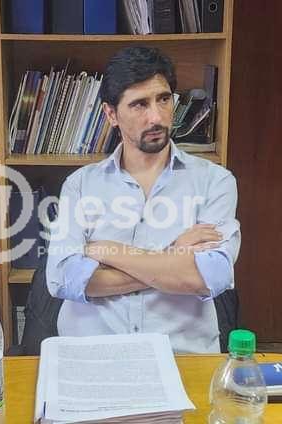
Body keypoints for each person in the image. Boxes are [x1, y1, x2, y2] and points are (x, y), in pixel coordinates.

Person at [45, 47, 240, 353]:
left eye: (164, 99)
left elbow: (211, 276)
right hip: (94, 356)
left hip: (182, 356)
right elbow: (63, 278)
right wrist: (171, 256)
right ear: (111, 114)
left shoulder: (215, 182)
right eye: (139, 104)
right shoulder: (80, 185)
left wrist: (105, 251)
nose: (156, 117)